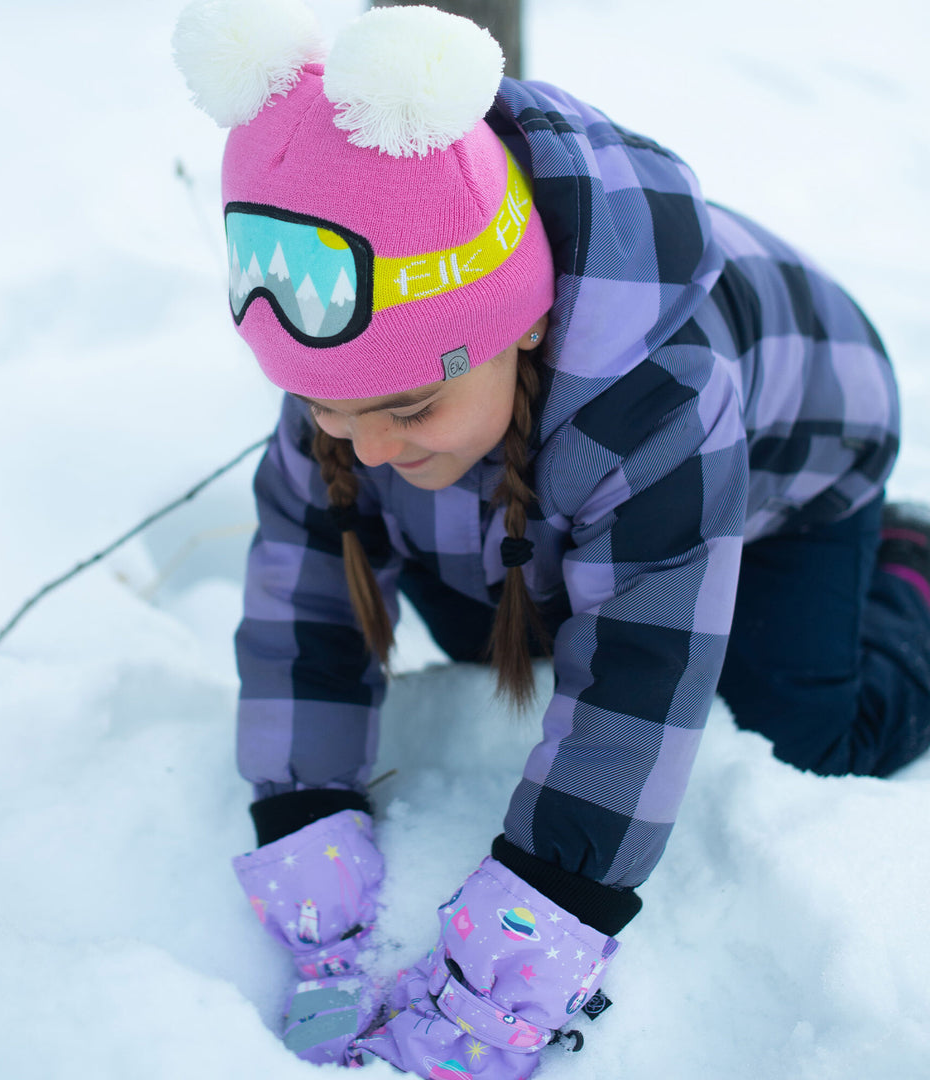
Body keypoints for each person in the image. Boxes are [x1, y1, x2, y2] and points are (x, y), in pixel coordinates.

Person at [172, 1, 930, 1074]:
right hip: (555, 470)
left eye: (403, 412)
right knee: (500, 634)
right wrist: (306, 813)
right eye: (332, 414)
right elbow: (306, 586)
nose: (365, 447)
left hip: (793, 478)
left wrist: (535, 931)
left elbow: (639, 678)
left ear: (518, 320)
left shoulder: (663, 397)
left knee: (804, 732)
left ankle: (907, 570)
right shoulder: (362, 369)